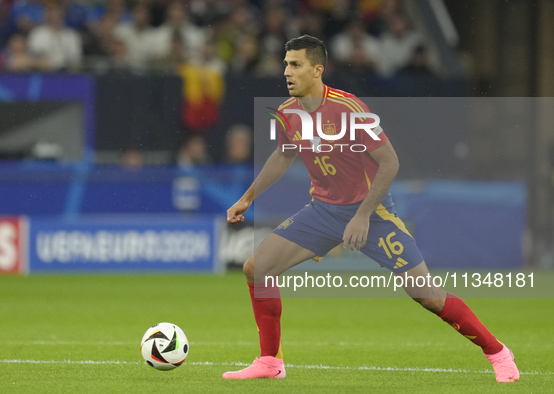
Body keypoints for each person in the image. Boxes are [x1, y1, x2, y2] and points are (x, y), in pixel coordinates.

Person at [222, 35, 520, 383]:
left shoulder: (349, 108)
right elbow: (284, 155)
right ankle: (270, 362)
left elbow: (389, 162)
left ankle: (498, 352)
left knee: (427, 295)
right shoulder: (288, 112)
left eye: (296, 64)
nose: (287, 71)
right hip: (322, 211)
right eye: (286, 64)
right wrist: (248, 197)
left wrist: (363, 215)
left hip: (372, 214)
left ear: (317, 70)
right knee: (257, 269)